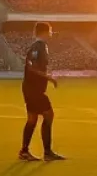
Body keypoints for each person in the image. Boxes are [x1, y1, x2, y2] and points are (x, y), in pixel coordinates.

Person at [19, 22, 65, 162]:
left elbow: (32, 66)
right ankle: (47, 152)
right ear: (45, 32)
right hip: (34, 88)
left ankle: (24, 151)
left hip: (31, 87)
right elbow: (31, 66)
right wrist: (49, 77)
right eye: (50, 30)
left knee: (32, 118)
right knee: (48, 114)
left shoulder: (37, 46)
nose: (51, 33)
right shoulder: (39, 46)